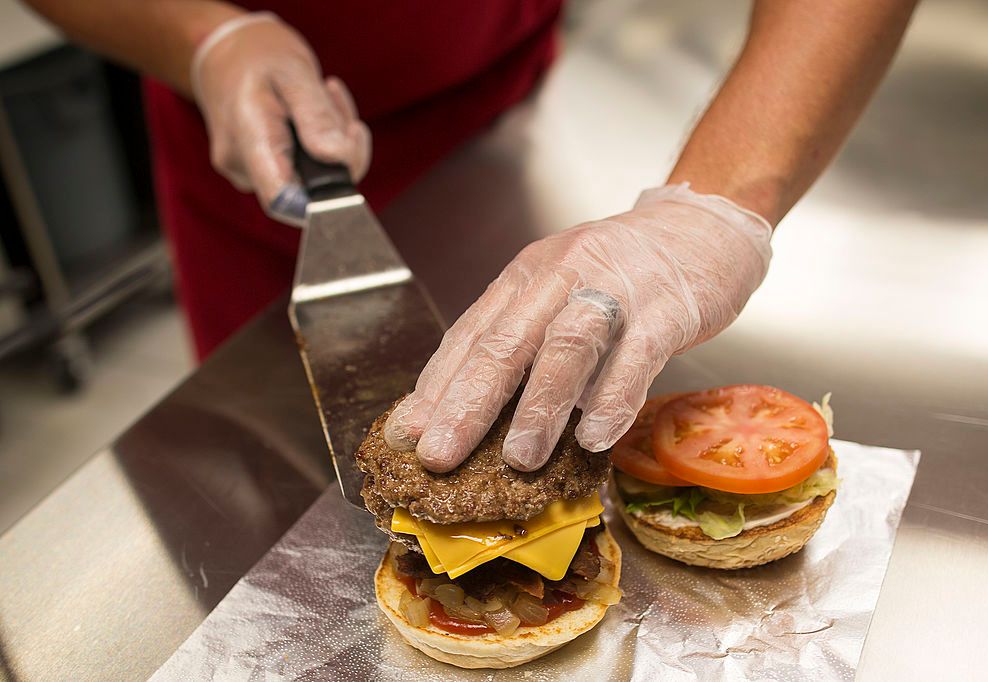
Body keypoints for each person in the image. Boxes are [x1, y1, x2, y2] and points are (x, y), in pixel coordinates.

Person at [26, 1, 917, 474]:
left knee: (561, 407)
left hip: (507, 114)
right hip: (263, 161)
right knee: (283, 485)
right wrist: (204, 35)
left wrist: (713, 204)